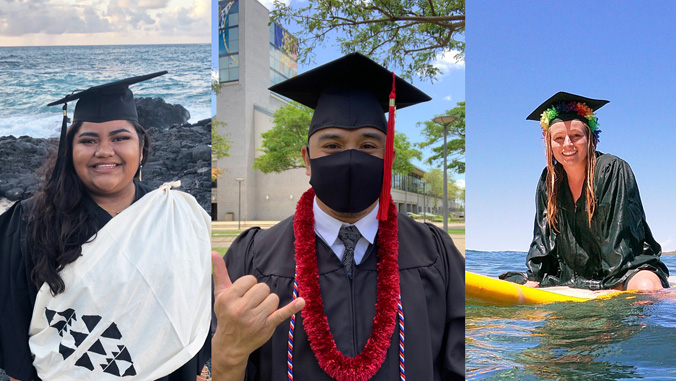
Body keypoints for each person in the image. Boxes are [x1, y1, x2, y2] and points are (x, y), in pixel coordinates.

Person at [212, 53, 465, 380]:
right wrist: (227, 358)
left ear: (389, 158)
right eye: (332, 145)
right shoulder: (254, 257)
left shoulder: (435, 253)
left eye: (368, 146)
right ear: (307, 159)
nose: (350, 159)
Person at [0, 73, 212, 380]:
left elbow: (194, 306)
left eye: (120, 138)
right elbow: (14, 325)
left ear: (141, 146)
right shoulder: (31, 221)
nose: (104, 150)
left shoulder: (174, 214)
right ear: (70, 151)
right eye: (88, 140)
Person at [502, 91, 669, 291]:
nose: (567, 144)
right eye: (559, 138)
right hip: (571, 274)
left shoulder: (611, 169)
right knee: (508, 281)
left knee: (645, 287)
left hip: (625, 267)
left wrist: (615, 286)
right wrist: (535, 277)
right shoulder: (550, 179)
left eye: (576, 136)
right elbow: (543, 235)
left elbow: (621, 235)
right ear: (549, 143)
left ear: (590, 139)